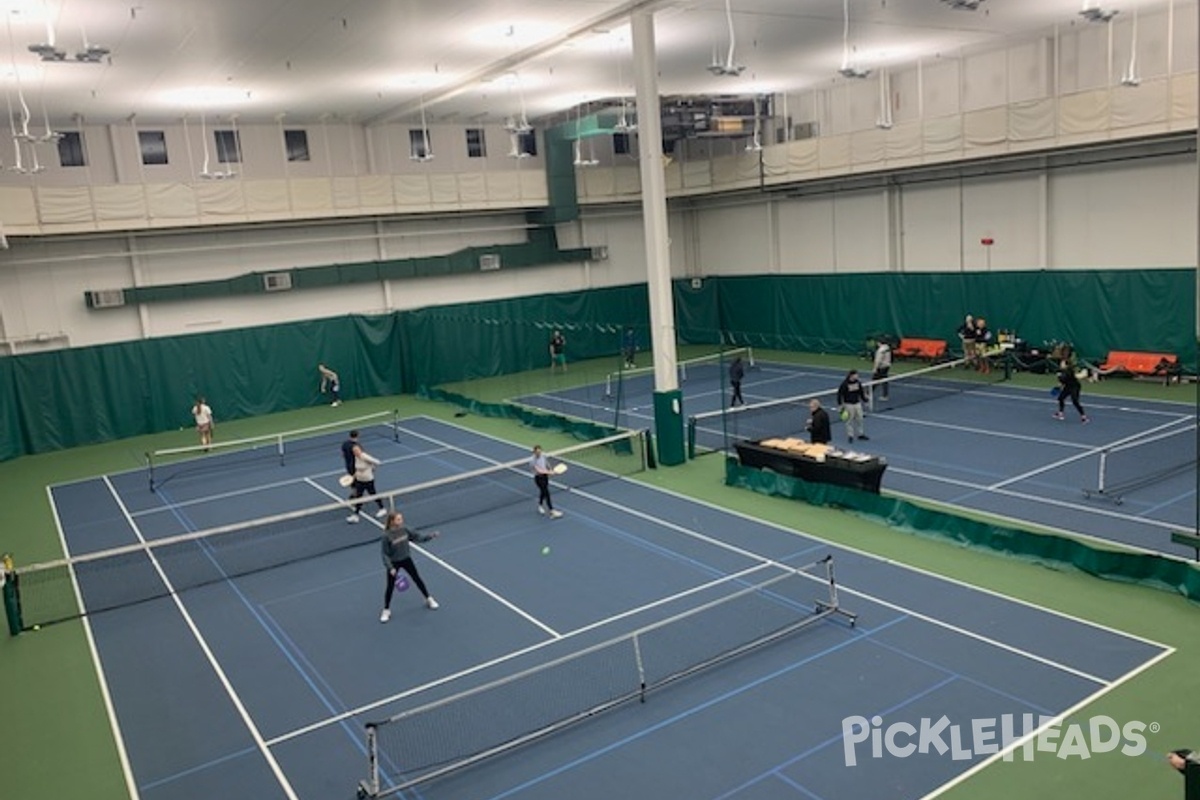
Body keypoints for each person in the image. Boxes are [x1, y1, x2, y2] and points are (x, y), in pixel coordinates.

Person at [378, 511, 439, 622]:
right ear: (392, 521)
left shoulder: (405, 529)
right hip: (394, 563)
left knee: (417, 578)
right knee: (390, 587)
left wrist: (430, 536)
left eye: (401, 519)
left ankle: (429, 599)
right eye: (398, 519)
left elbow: (418, 537)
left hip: (406, 559)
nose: (401, 521)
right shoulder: (386, 536)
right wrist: (390, 567)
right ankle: (386, 610)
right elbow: (384, 554)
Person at [346, 433, 387, 522]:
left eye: (356, 451)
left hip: (368, 480)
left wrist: (372, 468)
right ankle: (356, 515)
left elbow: (377, 462)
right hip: (359, 480)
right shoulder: (356, 458)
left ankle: (382, 509)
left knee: (373, 494)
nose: (355, 452)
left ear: (359, 450)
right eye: (354, 451)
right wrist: (353, 476)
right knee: (359, 497)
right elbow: (357, 469)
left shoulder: (364, 456)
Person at [836, 369, 869, 443]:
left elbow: (861, 392)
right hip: (848, 405)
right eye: (856, 375)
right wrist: (840, 404)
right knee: (849, 421)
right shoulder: (845, 384)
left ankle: (860, 434)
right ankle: (850, 435)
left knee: (860, 419)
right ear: (852, 375)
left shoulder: (858, 383)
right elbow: (840, 394)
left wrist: (865, 400)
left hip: (857, 404)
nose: (857, 376)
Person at [530, 445, 563, 519]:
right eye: (537, 452)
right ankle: (552, 511)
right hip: (538, 478)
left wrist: (550, 469)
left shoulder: (543, 456)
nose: (539, 453)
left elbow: (547, 463)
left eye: (540, 452)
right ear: (534, 452)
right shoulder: (532, 460)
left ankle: (540, 505)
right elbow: (539, 470)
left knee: (543, 492)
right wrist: (549, 472)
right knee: (547, 493)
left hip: (545, 477)